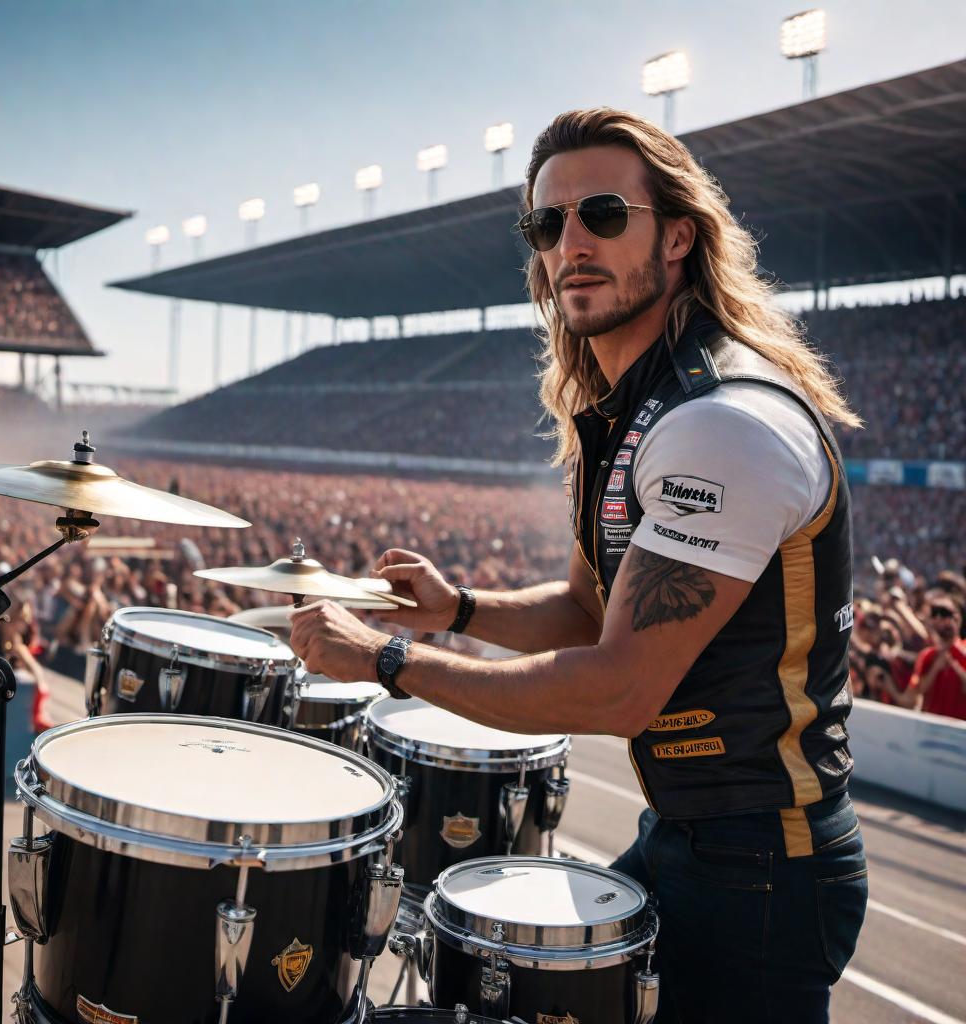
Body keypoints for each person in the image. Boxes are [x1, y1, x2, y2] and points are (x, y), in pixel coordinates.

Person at [289, 107, 867, 1022]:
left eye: (602, 214)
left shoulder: (717, 424)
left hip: (762, 869)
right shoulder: (630, 406)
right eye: (545, 224)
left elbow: (615, 689)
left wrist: (386, 660)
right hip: (691, 835)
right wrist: (459, 609)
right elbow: (585, 608)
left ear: (678, 236)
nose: (570, 244)